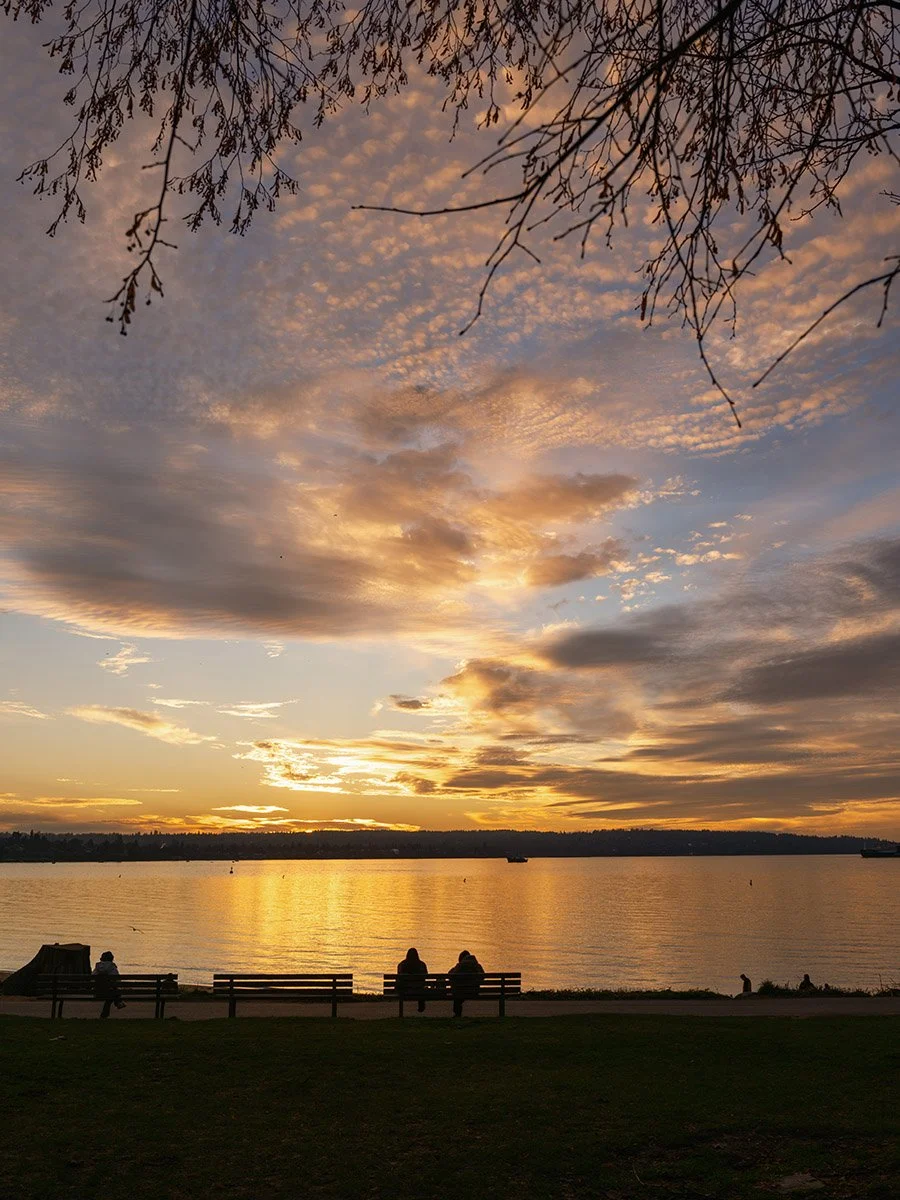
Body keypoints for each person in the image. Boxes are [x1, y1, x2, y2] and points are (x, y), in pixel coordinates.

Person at [448, 949, 485, 1017]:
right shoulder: (477, 965)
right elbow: (483, 977)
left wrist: (456, 967)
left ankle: (457, 1013)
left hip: (461, 991)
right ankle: (457, 1013)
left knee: (457, 995)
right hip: (474, 991)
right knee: (459, 994)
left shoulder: (460, 966)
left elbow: (450, 975)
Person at [92, 950, 126, 1018]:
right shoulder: (112, 967)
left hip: (97, 992)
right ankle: (118, 1002)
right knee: (112, 993)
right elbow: (117, 980)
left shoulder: (97, 967)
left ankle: (105, 1015)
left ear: (102, 958)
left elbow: (92, 978)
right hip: (108, 992)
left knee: (110, 994)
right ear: (111, 958)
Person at [397, 947, 428, 1013]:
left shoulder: (402, 964)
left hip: (405, 990)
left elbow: (399, 977)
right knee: (420, 987)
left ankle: (401, 1013)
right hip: (419, 989)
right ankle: (421, 1006)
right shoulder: (422, 965)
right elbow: (426, 976)